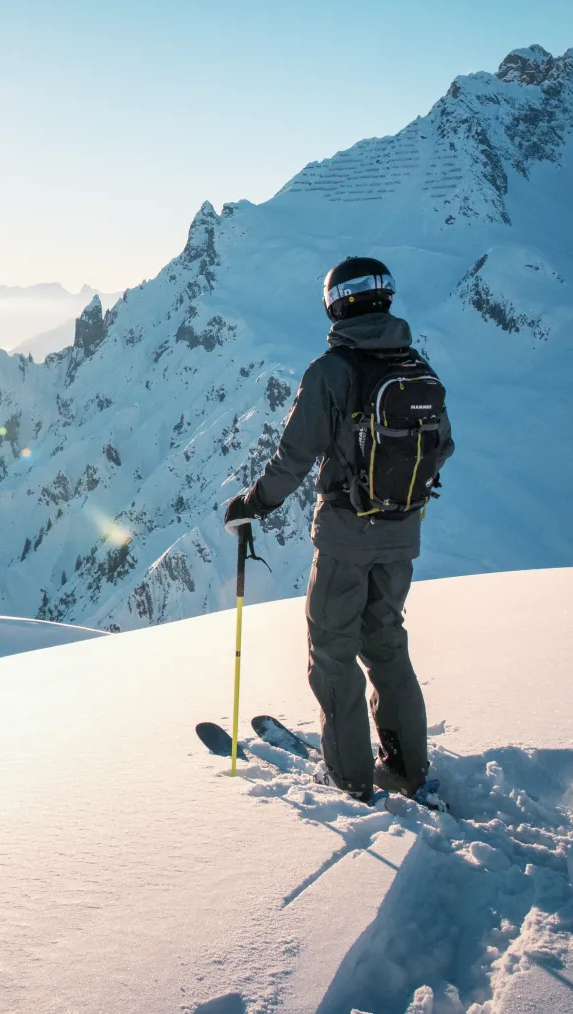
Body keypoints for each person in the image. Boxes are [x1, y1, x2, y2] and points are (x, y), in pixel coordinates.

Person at [222, 257, 452, 804]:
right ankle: (407, 769)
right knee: (387, 645)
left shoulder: (332, 371)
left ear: (336, 303)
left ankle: (349, 779)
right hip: (403, 535)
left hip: (348, 536)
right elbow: (442, 447)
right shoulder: (417, 368)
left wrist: (253, 504)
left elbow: (294, 456)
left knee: (332, 652)